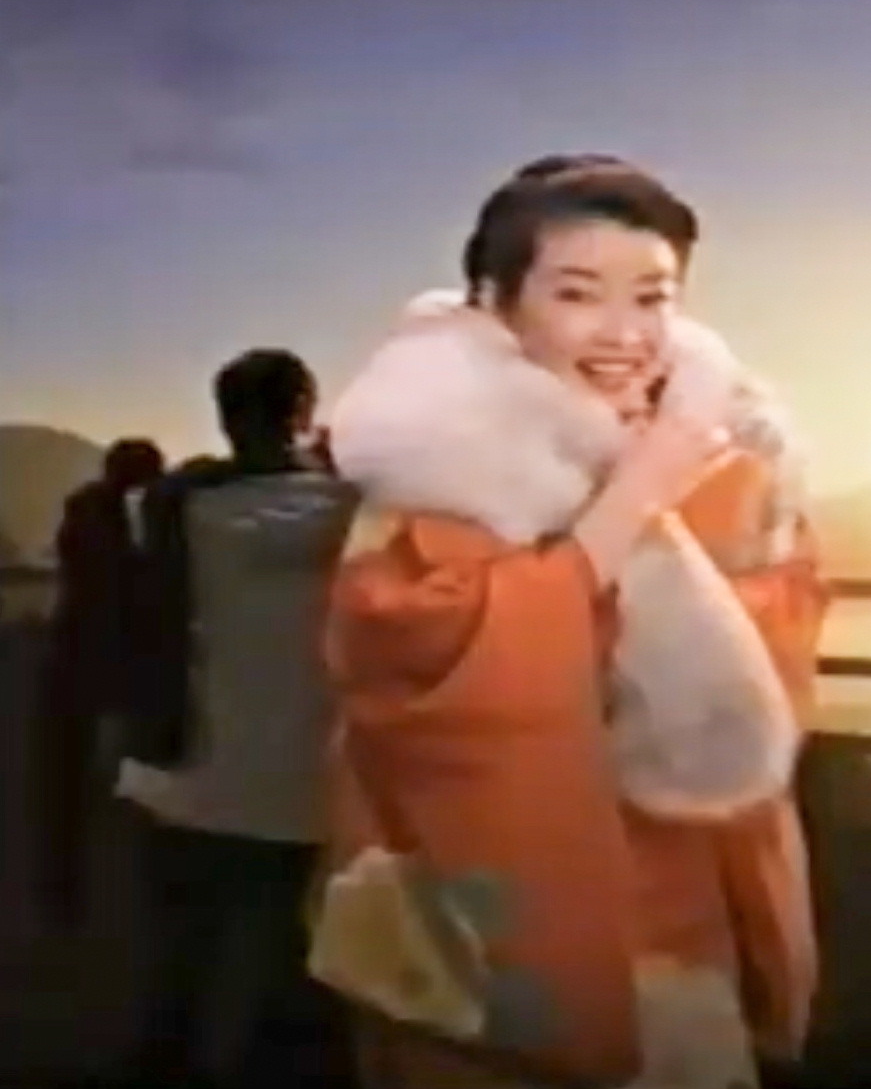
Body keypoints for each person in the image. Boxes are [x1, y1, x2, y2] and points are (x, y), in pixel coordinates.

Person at [316, 156, 827, 1089]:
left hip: (684, 912)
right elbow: (425, 667)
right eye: (578, 294)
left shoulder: (726, 456)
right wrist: (635, 496)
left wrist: (721, 544)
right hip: (506, 922)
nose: (625, 334)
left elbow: (778, 661)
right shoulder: (436, 466)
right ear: (496, 301)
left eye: (652, 297)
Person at [117, 349, 360, 1088]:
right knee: (296, 967)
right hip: (311, 777)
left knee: (183, 959)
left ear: (225, 416)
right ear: (305, 411)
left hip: (192, 763)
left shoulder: (174, 507)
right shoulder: (351, 508)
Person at [34, 437, 164, 930]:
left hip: (77, 660)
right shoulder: (121, 521)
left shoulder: (88, 511)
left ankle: (65, 894)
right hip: (107, 662)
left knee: (67, 784)